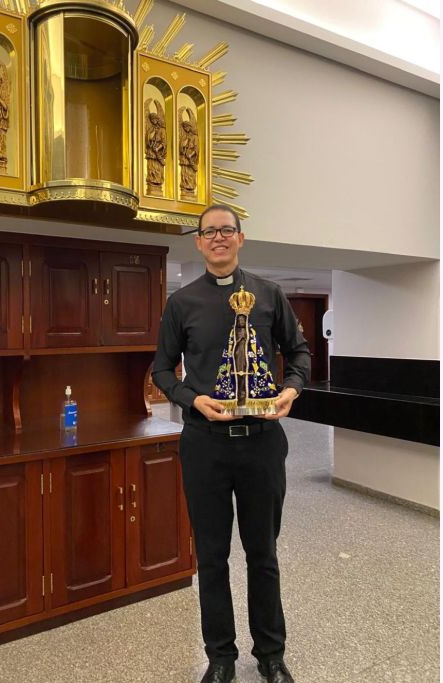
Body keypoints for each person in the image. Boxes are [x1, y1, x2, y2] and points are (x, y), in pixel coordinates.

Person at [152, 205, 311, 683]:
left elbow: (298, 351)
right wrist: (191, 399)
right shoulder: (182, 303)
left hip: (262, 443)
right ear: (198, 243)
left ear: (241, 239)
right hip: (205, 445)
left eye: (227, 230)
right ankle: (220, 656)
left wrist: (292, 388)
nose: (218, 238)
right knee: (212, 556)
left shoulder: (268, 294)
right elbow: (162, 369)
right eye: (209, 232)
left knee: (263, 553)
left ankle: (271, 655)